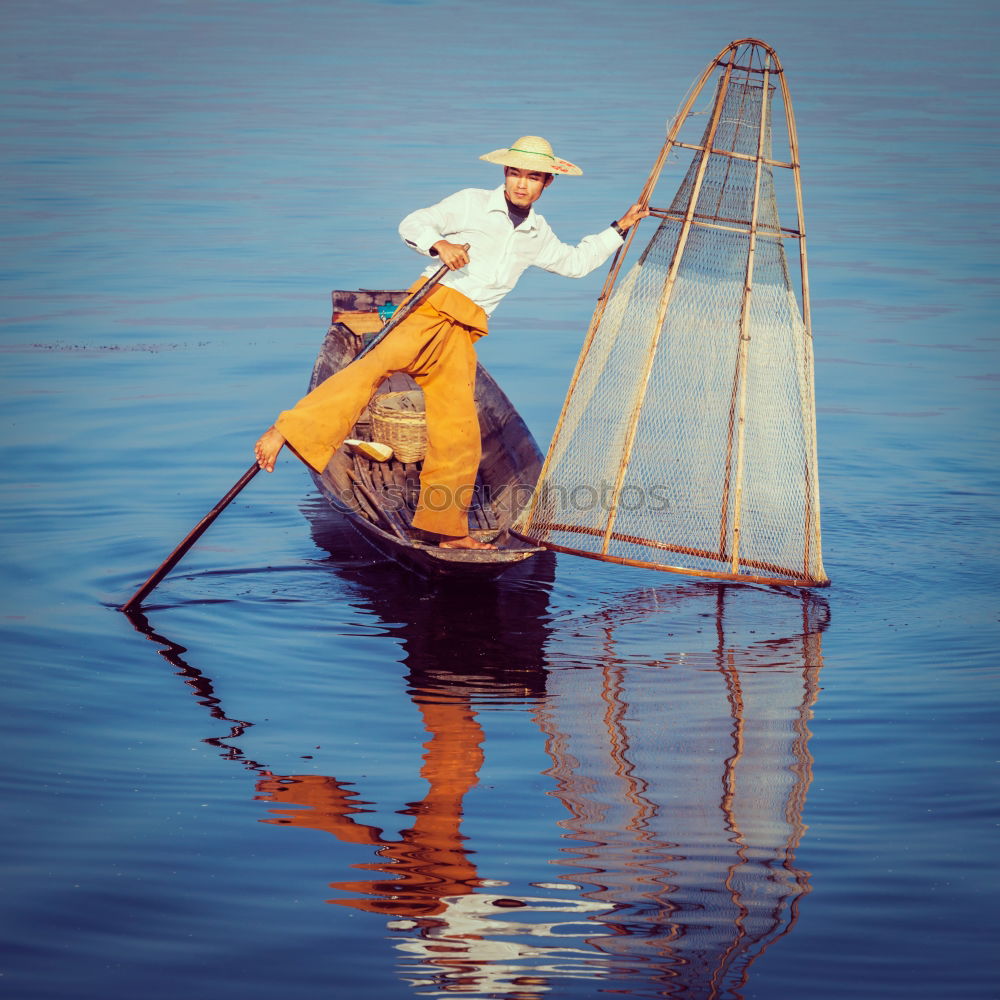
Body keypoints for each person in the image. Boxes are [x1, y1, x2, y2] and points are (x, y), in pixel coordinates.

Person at [254, 135, 647, 549]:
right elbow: (413, 223)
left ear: (548, 183)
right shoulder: (472, 203)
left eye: (533, 177)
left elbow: (575, 263)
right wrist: (439, 244)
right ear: (505, 173)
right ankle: (284, 430)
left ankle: (445, 531)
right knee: (368, 371)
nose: (521, 184)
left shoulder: (537, 232)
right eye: (515, 173)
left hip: (464, 329)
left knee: (459, 427)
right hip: (429, 307)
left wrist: (618, 229)